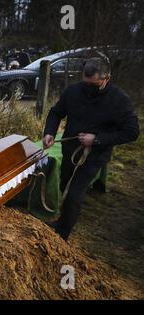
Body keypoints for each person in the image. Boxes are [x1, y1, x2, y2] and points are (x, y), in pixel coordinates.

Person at [42, 58, 140, 241]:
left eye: (93, 85)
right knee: (64, 186)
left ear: (106, 78)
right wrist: (49, 132)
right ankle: (63, 220)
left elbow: (132, 132)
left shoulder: (119, 100)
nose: (88, 89)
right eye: (86, 84)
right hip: (69, 149)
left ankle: (62, 235)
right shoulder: (73, 91)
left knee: (73, 194)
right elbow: (56, 112)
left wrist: (97, 140)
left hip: (95, 156)